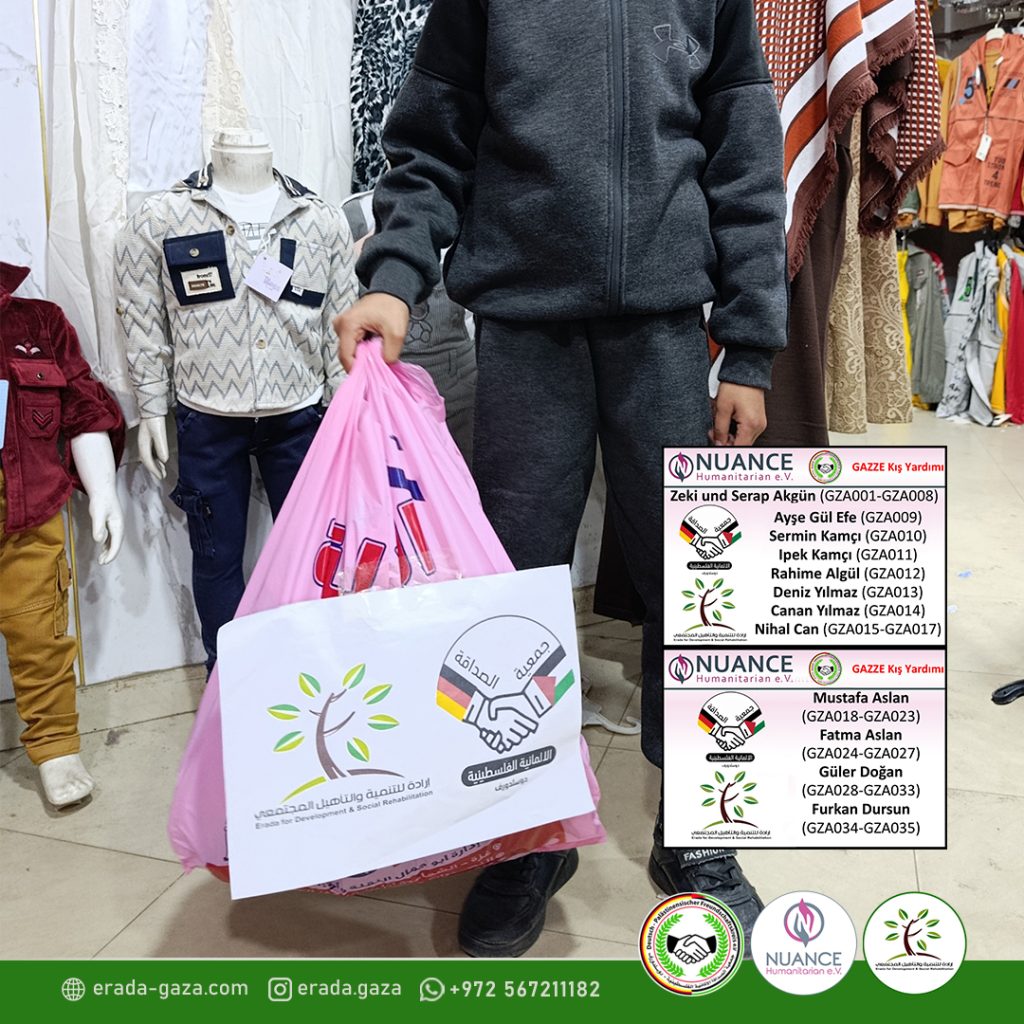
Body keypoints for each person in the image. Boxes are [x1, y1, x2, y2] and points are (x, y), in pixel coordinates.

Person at [334, 0, 788, 958]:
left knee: (697, 594)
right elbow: (431, 139)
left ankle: (699, 825)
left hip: (666, 334)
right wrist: (393, 275)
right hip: (524, 330)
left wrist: (749, 348)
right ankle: (525, 833)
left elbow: (745, 154)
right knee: (513, 595)